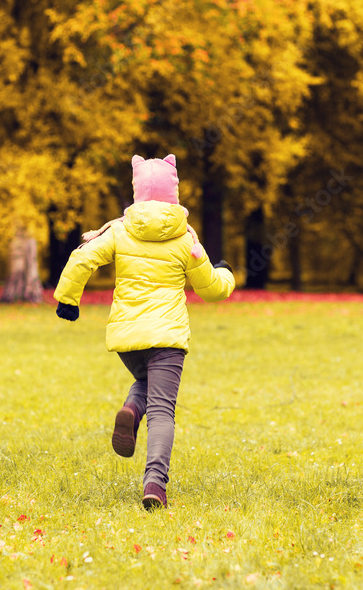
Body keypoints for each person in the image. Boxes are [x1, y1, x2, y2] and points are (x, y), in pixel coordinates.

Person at [54, 154, 235, 510]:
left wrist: (68, 299)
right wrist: (225, 271)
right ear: (174, 193)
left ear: (137, 191)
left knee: (145, 385)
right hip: (167, 337)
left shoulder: (119, 230)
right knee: (163, 410)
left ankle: (132, 410)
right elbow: (211, 288)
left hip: (127, 337)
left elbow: (82, 256)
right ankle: (155, 483)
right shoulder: (185, 238)